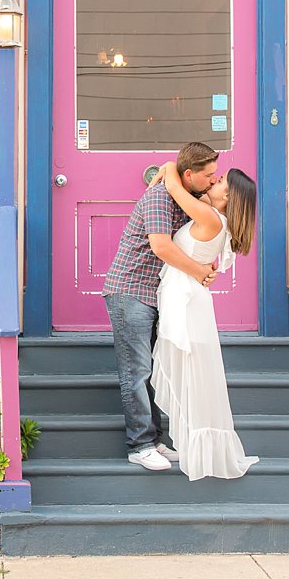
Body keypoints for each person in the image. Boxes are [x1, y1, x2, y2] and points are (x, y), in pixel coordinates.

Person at [102, 142, 221, 472]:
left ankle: (154, 440)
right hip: (130, 290)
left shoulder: (186, 195)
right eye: (208, 176)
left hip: (155, 294)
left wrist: (168, 168)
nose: (213, 181)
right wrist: (198, 271)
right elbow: (161, 246)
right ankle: (139, 445)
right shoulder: (160, 197)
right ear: (189, 174)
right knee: (136, 371)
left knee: (153, 369)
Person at [152, 161, 260, 480]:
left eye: (220, 180)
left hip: (186, 302)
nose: (212, 181)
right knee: (190, 375)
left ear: (226, 195)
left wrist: (171, 165)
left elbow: (173, 186)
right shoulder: (212, 215)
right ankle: (192, 445)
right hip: (186, 296)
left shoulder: (211, 219)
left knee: (191, 375)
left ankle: (198, 450)